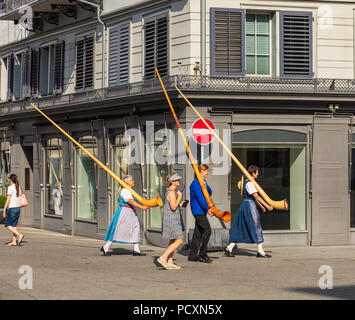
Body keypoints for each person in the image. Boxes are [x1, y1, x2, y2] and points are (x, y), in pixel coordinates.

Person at [224, 165, 273, 258]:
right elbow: (256, 196)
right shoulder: (249, 183)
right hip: (249, 208)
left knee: (242, 227)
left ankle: (229, 248)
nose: (258, 174)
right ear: (253, 173)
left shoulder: (247, 183)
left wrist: (261, 206)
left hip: (247, 206)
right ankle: (260, 251)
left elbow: (254, 198)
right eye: (257, 172)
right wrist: (267, 205)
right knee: (257, 227)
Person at [101, 175, 149, 256]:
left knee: (135, 228)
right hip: (124, 212)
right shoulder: (124, 191)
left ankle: (136, 250)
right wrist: (142, 207)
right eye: (131, 180)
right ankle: (106, 247)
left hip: (130, 211)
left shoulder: (128, 190)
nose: (133, 181)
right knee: (117, 229)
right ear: (127, 182)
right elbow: (130, 201)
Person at [158, 173, 186, 270]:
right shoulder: (172, 193)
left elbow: (173, 205)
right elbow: (173, 207)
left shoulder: (169, 192)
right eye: (177, 180)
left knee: (173, 240)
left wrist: (180, 203)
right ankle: (163, 257)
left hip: (171, 218)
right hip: (172, 219)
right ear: (172, 181)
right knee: (179, 240)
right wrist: (179, 197)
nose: (179, 181)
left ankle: (170, 261)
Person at [188, 164, 214, 263]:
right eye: (206, 171)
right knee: (207, 230)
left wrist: (204, 184)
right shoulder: (195, 183)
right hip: (198, 210)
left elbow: (209, 192)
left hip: (201, 210)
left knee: (197, 233)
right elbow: (200, 198)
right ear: (201, 172)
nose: (208, 172)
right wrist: (208, 209)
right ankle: (202, 254)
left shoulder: (202, 182)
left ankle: (193, 256)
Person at [2, 174, 25, 246]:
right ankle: (14, 241)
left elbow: (8, 199)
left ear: (10, 180)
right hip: (18, 208)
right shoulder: (18, 187)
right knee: (14, 225)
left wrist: (5, 209)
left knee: (7, 225)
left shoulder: (10, 187)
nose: (8, 180)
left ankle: (19, 235)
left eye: (9, 179)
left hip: (12, 208)